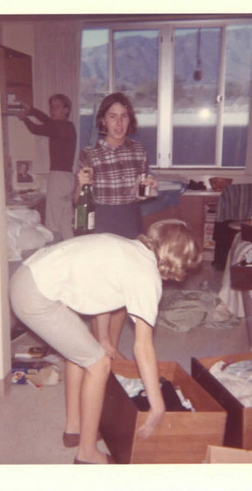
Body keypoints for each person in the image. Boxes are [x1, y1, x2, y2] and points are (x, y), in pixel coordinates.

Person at [9, 219, 201, 464]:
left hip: (28, 275)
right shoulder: (146, 275)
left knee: (81, 351)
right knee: (97, 364)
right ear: (176, 262)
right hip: (36, 295)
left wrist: (103, 339)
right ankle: (87, 455)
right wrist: (157, 404)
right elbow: (143, 346)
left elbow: (100, 289)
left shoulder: (129, 248)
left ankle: (74, 429)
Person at [76, 92, 158, 359]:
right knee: (104, 284)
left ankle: (110, 344)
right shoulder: (90, 153)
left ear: (129, 120)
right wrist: (81, 184)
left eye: (124, 116)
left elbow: (141, 194)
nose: (119, 123)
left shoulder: (138, 150)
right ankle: (102, 342)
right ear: (103, 120)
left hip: (130, 218)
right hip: (103, 219)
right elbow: (78, 201)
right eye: (113, 116)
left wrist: (149, 190)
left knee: (126, 286)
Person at [17, 94, 76, 240]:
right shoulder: (67, 126)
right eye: (51, 106)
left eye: (57, 107)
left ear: (66, 110)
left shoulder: (60, 127)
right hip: (67, 178)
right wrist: (31, 110)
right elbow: (48, 122)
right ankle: (70, 255)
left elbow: (36, 129)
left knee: (53, 223)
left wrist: (25, 118)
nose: (52, 110)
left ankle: (54, 255)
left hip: (59, 177)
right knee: (65, 222)